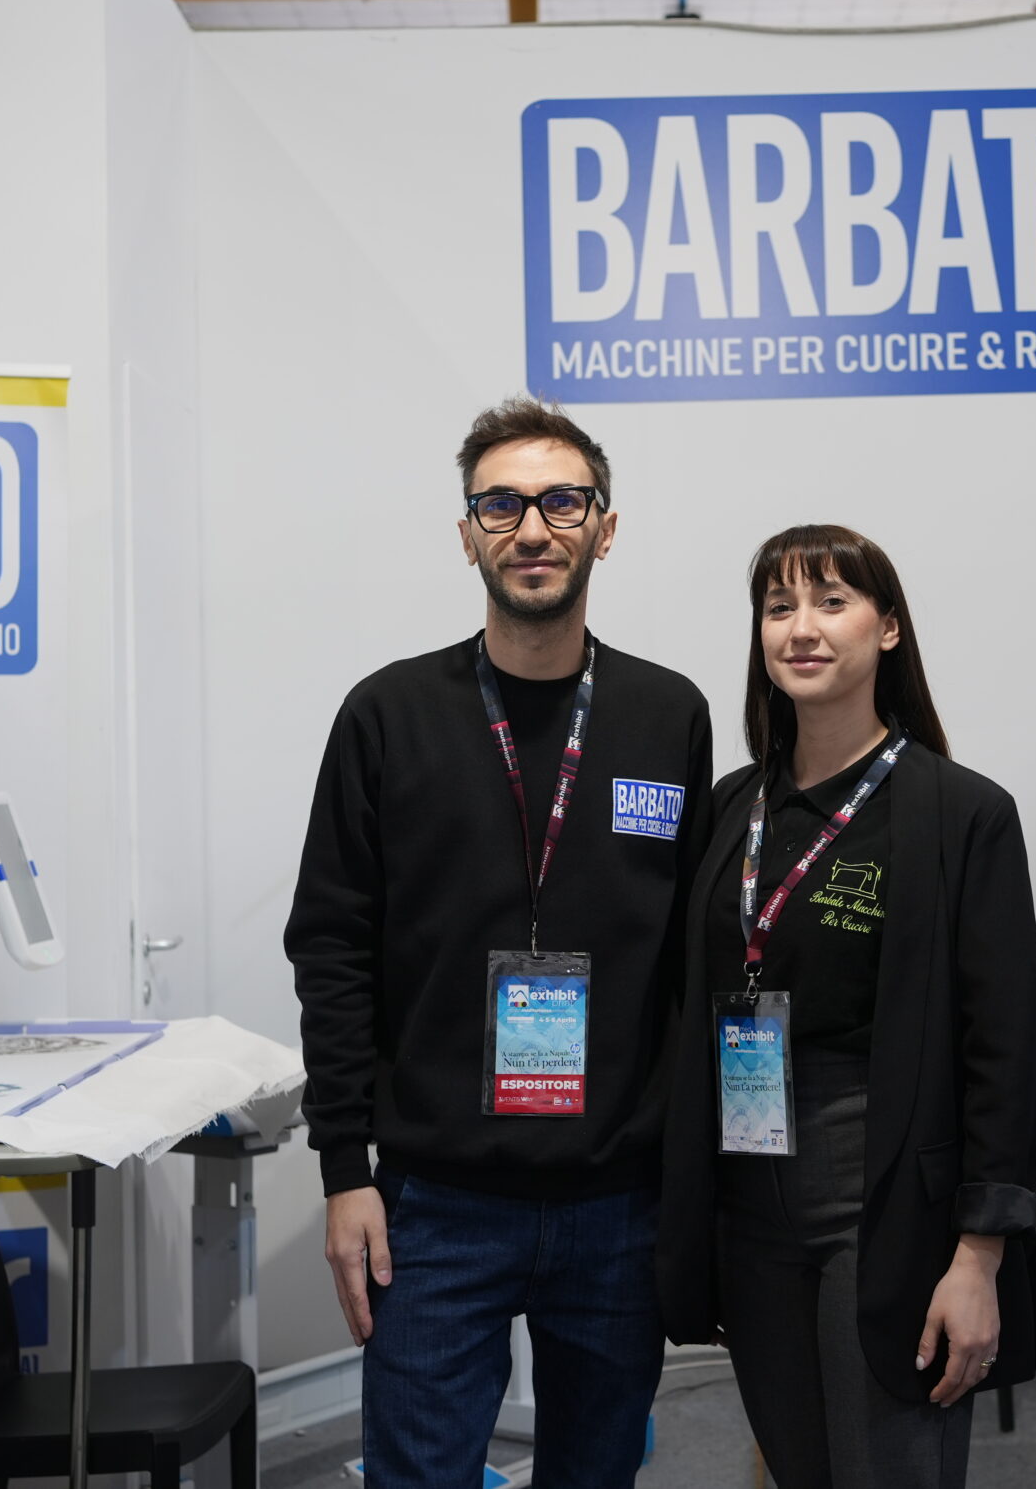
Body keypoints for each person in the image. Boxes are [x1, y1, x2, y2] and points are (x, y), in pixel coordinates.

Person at [286, 398, 713, 1489]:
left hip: (617, 1205)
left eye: (562, 501)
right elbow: (331, 948)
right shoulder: (387, 715)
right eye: (502, 505)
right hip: (434, 1205)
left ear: (604, 528)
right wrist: (344, 1170)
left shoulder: (669, 716)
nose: (532, 528)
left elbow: (689, 958)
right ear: (467, 532)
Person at [658, 523, 1036, 1489]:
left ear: (889, 628)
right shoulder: (731, 807)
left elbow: (1003, 1048)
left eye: (832, 601)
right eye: (779, 606)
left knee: (890, 1468)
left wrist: (978, 1258)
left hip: (881, 1190)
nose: (803, 627)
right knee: (799, 1468)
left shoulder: (962, 813)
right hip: (749, 1188)